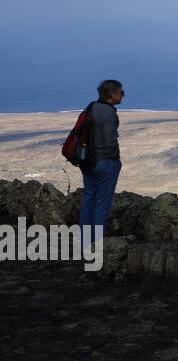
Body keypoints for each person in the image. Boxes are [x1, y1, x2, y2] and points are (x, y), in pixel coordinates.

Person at [80, 80, 124, 244]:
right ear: (111, 94)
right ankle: (96, 245)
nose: (122, 95)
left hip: (88, 163)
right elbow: (110, 140)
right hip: (105, 163)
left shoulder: (90, 108)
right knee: (102, 205)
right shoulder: (108, 112)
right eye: (121, 92)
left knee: (88, 202)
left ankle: (85, 243)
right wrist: (115, 160)